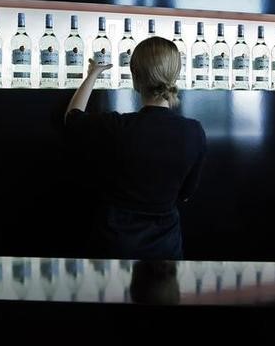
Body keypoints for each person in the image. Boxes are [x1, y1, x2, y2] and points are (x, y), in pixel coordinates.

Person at [64, 36, 206, 260]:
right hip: (166, 249)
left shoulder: (118, 127)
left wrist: (93, 74)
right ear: (175, 75)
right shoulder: (194, 131)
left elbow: (72, 119)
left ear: (135, 77)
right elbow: (186, 195)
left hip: (115, 247)